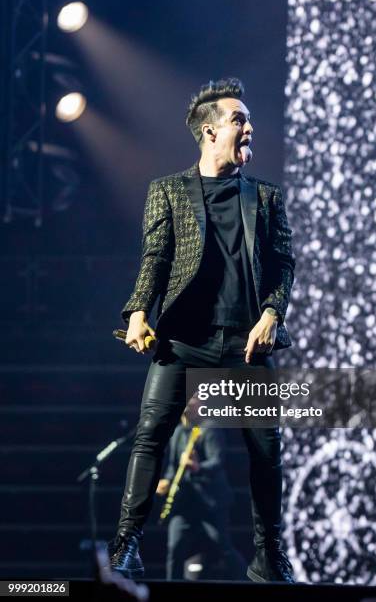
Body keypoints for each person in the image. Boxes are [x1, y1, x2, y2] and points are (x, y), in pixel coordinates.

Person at [108, 77, 296, 583]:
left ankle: (268, 554)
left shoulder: (267, 198)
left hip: (246, 342)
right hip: (184, 339)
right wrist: (138, 312)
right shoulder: (168, 192)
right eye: (239, 119)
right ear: (210, 132)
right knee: (150, 437)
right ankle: (126, 547)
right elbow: (155, 259)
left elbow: (283, 265)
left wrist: (272, 313)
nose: (249, 127)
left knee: (266, 447)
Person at [156, 398, 247, 580]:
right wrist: (165, 480)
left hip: (210, 502)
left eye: (193, 400)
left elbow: (217, 461)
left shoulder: (209, 428)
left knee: (223, 546)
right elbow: (174, 466)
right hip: (185, 503)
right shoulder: (179, 433)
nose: (189, 405)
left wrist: (198, 467)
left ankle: (247, 580)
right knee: (175, 547)